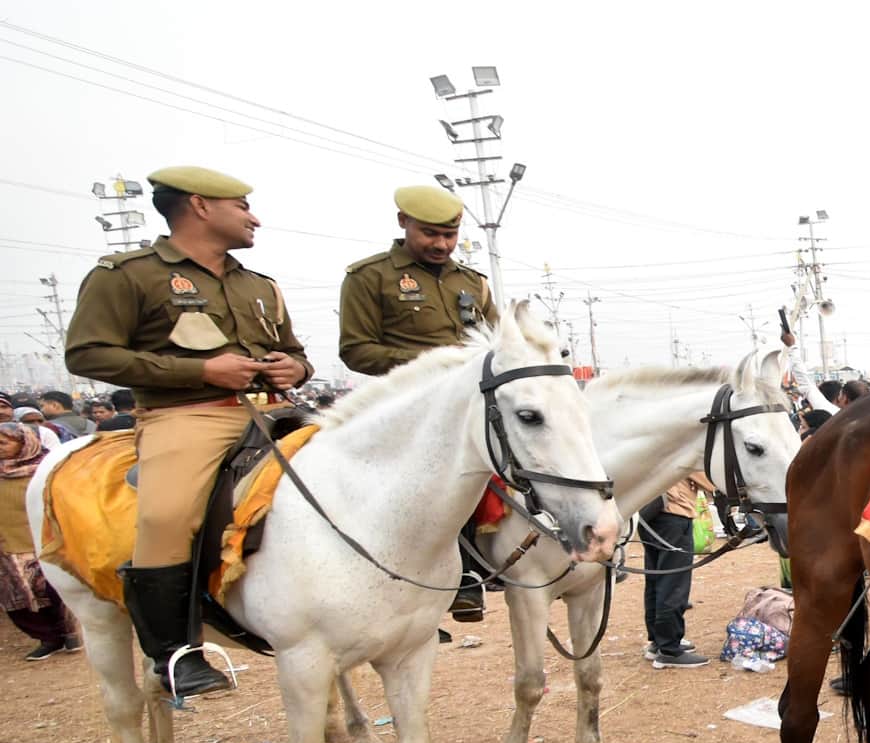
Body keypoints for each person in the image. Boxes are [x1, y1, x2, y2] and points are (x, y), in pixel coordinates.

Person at [65, 166, 311, 699]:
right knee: (167, 515)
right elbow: (87, 354)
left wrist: (296, 368)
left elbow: (294, 351)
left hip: (275, 410)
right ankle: (177, 655)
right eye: (242, 206)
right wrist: (200, 370)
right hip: (189, 415)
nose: (254, 218)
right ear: (200, 206)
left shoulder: (259, 285)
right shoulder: (127, 275)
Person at [338, 185, 499, 630]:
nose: (441, 244)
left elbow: (497, 343)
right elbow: (356, 350)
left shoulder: (472, 282)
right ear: (403, 222)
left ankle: (482, 567)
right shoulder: (369, 277)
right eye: (430, 234)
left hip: (464, 406)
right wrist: (433, 362)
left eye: (450, 235)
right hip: (405, 405)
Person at [0, 422, 80, 659]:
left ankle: (71, 632)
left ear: (25, 443)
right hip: (9, 545)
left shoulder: (48, 470)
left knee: (55, 590)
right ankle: (48, 638)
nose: (0, 448)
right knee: (19, 598)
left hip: (47, 542)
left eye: (4, 442)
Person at [641, 475, 714, 669]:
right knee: (673, 584)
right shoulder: (682, 454)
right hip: (674, 515)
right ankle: (670, 650)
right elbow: (711, 482)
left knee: (656, 581)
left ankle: (657, 643)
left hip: (650, 514)